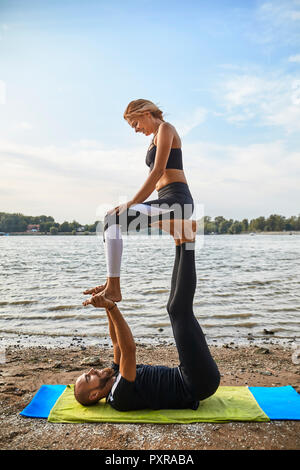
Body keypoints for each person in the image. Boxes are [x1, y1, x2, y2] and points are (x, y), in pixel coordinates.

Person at [75, 237, 220, 411]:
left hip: (189, 375)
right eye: (89, 378)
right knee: (179, 311)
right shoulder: (118, 396)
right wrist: (112, 307)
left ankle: (180, 241)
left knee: (172, 309)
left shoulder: (115, 374)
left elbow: (117, 344)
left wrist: (106, 300)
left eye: (88, 373)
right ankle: (188, 238)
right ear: (94, 395)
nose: (91, 370)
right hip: (197, 383)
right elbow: (129, 350)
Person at [83, 99, 195, 303]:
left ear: (145, 113)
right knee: (111, 219)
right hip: (166, 200)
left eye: (135, 123)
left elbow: (158, 171)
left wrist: (132, 202)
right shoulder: (154, 137)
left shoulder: (166, 129)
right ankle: (111, 284)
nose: (135, 130)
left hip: (178, 201)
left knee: (112, 219)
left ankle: (113, 287)